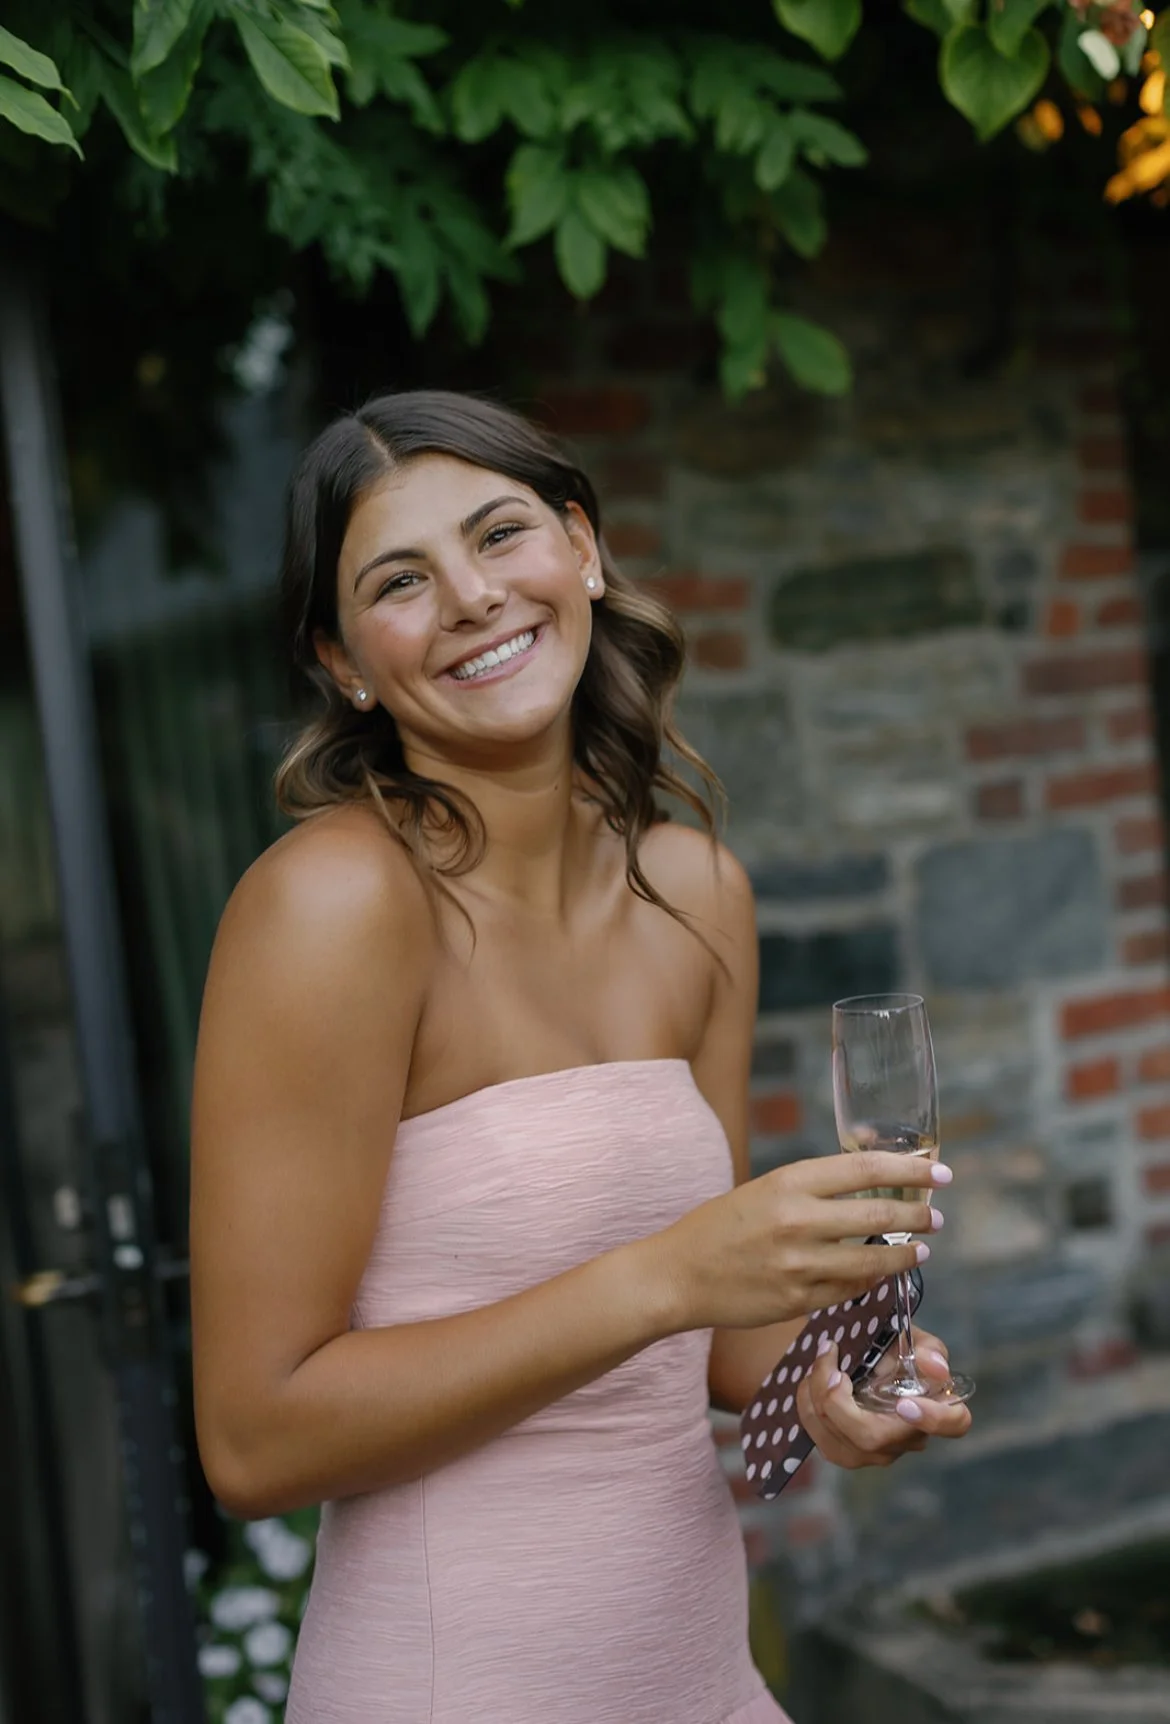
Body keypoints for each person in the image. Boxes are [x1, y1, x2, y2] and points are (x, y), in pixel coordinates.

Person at [190, 390, 971, 1724]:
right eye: (400, 581)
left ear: (583, 550)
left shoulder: (694, 892)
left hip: (699, 1684)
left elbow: (716, 1347)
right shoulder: (329, 908)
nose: (472, 597)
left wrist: (832, 1378)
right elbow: (256, 1441)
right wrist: (664, 1275)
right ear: (342, 662)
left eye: (501, 536)